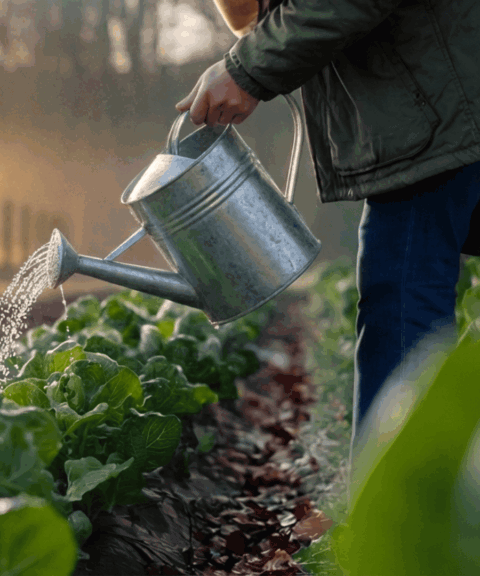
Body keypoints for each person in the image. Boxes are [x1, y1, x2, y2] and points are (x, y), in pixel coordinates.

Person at [176, 0, 480, 496]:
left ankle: (398, 525)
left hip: (438, 108)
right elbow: (247, 15)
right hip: (442, 100)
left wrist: (247, 68)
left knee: (402, 308)